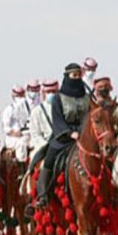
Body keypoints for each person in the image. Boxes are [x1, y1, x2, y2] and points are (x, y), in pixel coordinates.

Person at [34, 63, 90, 210]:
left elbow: (89, 117)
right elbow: (57, 120)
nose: (77, 78)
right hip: (63, 137)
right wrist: (71, 133)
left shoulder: (87, 98)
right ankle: (43, 196)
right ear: (67, 76)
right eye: (74, 75)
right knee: (49, 158)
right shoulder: (59, 98)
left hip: (83, 137)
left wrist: (83, 133)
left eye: (79, 75)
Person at [2, 85, 31, 171]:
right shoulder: (9, 109)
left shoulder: (28, 109)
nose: (20, 98)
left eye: (21, 96)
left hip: (26, 134)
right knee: (20, 145)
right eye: (18, 96)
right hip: (13, 137)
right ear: (13, 96)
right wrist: (15, 133)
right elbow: (6, 127)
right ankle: (21, 169)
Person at [93, 77, 118, 145]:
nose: (104, 89)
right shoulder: (93, 109)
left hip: (115, 141)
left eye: (106, 87)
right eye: (101, 87)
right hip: (96, 142)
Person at [29, 79, 58, 157]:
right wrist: (46, 145)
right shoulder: (37, 111)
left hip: (61, 145)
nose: (51, 94)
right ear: (43, 93)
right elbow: (35, 134)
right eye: (48, 92)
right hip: (43, 145)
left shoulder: (63, 108)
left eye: (53, 92)